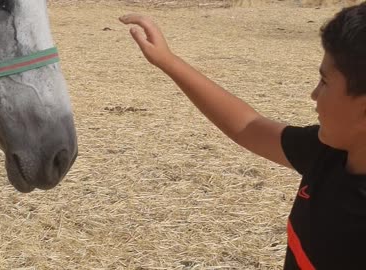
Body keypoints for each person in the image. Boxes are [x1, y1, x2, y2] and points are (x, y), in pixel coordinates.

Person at [120, 2, 366, 269]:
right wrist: (168, 61)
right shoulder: (328, 152)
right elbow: (248, 126)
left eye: (325, 82)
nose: (314, 94)